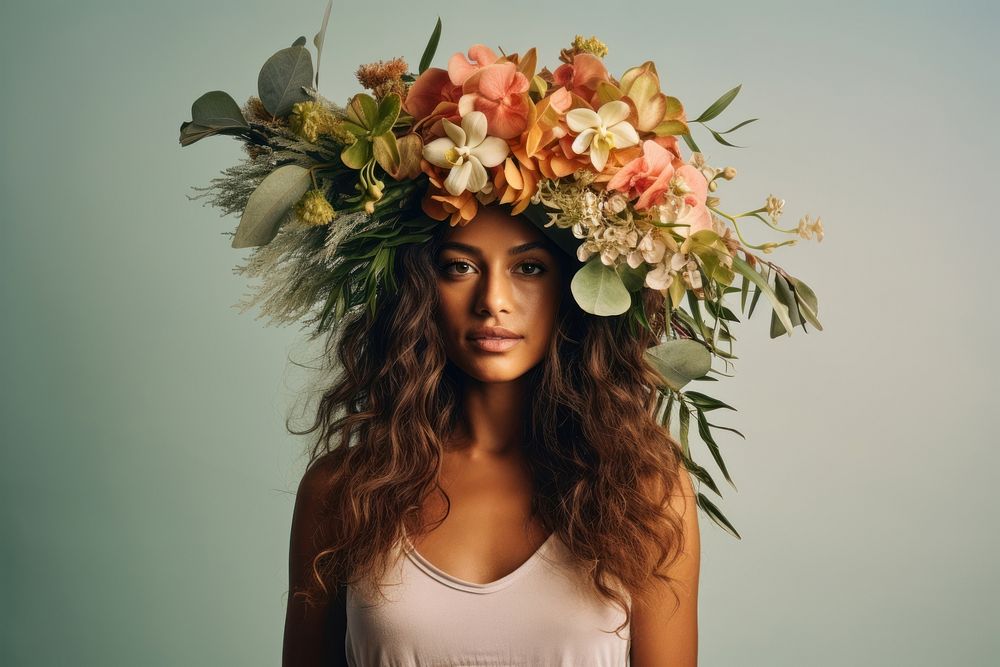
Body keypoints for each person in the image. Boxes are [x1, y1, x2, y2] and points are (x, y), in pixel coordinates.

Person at [281, 202, 701, 666]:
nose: (492, 300)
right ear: (417, 289)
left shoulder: (645, 493)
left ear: (577, 289)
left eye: (529, 267)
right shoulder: (343, 490)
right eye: (459, 267)